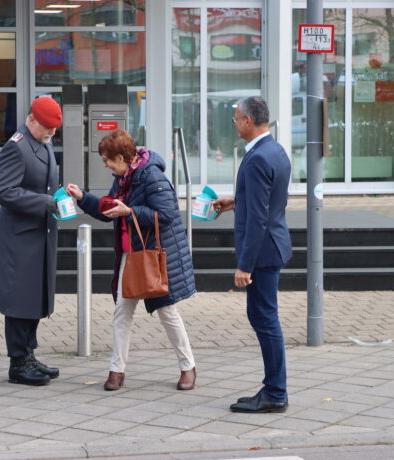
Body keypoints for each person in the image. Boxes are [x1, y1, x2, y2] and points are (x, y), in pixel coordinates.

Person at [66, 129, 197, 391]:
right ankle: (117, 370)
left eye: (107, 160)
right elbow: (109, 210)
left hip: (154, 256)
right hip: (131, 254)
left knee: (167, 311)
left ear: (123, 157)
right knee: (122, 312)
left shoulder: (151, 176)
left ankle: (188, 367)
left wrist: (131, 211)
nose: (105, 165)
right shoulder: (124, 178)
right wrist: (83, 198)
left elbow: (168, 214)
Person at [212, 97, 292, 413]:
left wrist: (245, 265)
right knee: (262, 316)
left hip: (263, 251)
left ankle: (275, 392)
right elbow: (268, 202)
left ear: (247, 120)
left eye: (235, 119)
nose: (234, 123)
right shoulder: (275, 149)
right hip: (273, 245)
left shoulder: (258, 158)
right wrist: (237, 201)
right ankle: (273, 388)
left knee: (265, 318)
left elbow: (260, 218)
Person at [0, 96, 62, 386]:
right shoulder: (15, 147)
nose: (51, 134)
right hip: (20, 238)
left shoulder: (42, 141)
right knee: (19, 301)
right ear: (31, 120)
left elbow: (44, 181)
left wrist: (60, 196)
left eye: (54, 130)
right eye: (47, 128)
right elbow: (2, 191)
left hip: (39, 234)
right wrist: (44, 201)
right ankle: (18, 363)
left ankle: (29, 353)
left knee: (35, 297)